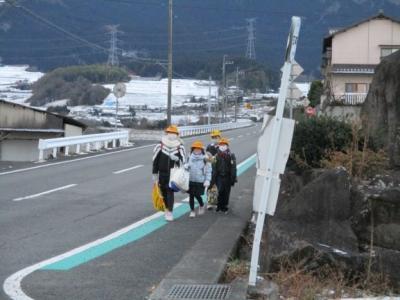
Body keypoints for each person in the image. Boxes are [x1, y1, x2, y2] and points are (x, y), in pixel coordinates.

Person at [152, 125, 186, 221]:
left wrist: (176, 159)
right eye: (169, 133)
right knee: (163, 191)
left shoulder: (180, 146)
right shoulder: (160, 145)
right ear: (166, 133)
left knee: (170, 191)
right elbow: (155, 160)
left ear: (177, 135)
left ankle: (170, 212)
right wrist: (154, 173)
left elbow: (183, 161)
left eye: (173, 133)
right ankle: (166, 208)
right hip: (162, 173)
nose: (171, 135)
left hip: (174, 173)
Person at [186, 140, 212, 218]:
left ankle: (201, 205)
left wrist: (207, 180)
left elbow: (208, 171)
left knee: (197, 195)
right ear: (192, 149)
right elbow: (185, 165)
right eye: (195, 149)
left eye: (198, 149)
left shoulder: (205, 159)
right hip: (190, 180)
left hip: (200, 181)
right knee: (191, 195)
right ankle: (192, 211)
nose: (197, 150)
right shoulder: (189, 157)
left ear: (201, 150)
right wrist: (185, 167)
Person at [211, 138, 237, 213]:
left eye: (224, 145)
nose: (222, 146)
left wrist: (233, 178)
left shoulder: (231, 155)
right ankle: (219, 205)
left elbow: (233, 167)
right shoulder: (216, 156)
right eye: (221, 145)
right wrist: (213, 180)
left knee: (226, 192)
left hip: (227, 176)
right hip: (219, 176)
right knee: (219, 191)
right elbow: (214, 168)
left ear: (227, 146)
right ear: (219, 146)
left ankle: (224, 206)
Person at [205, 129, 221, 210]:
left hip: (220, 170)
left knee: (219, 186)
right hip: (211, 169)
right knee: (210, 186)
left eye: (216, 137)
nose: (215, 138)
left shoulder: (222, 146)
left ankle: (219, 202)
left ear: (219, 137)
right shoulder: (209, 146)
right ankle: (210, 203)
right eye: (213, 137)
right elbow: (206, 157)